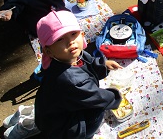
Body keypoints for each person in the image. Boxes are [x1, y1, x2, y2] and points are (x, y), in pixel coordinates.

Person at [35, 10, 123, 138]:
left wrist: (103, 65)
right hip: (63, 127)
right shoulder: (70, 80)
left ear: (82, 34)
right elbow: (97, 97)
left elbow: (89, 63)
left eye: (73, 34)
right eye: (59, 39)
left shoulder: (72, 55)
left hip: (58, 109)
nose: (71, 42)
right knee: (97, 110)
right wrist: (116, 97)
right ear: (48, 51)